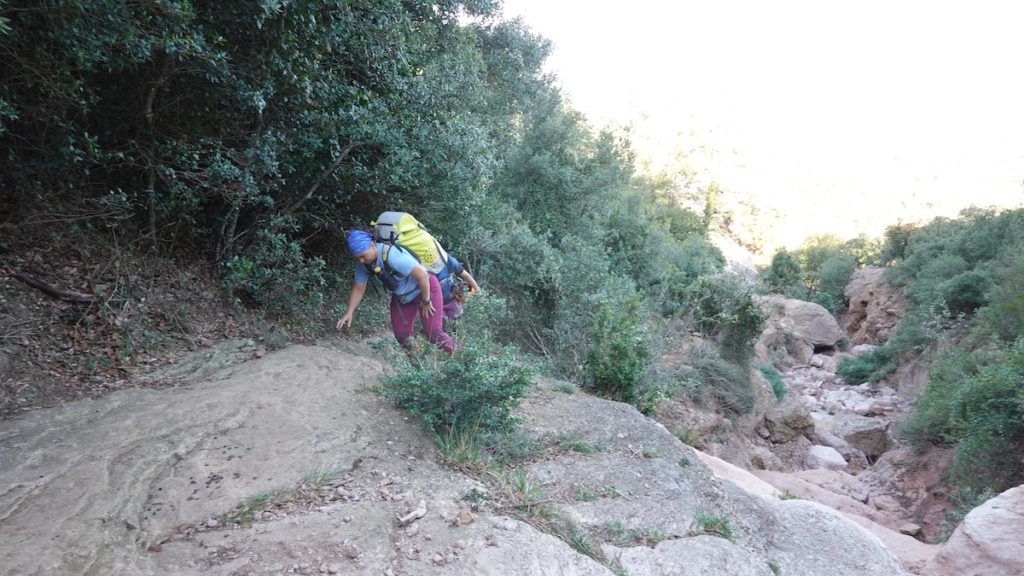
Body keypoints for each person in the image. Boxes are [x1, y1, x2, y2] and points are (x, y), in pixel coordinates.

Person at [336, 230, 454, 353]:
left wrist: (426, 300)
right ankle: (418, 364)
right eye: (357, 257)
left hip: (425, 289)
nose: (360, 260)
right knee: (402, 336)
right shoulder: (364, 264)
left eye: (362, 256)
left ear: (372, 245)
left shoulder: (393, 256)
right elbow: (359, 288)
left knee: (434, 333)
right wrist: (349, 312)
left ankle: (459, 355)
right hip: (403, 297)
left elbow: (423, 275)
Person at [437, 254, 480, 322]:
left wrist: (479, 293)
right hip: (436, 303)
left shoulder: (447, 259)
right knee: (440, 326)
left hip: (452, 300)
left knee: (456, 325)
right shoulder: (425, 266)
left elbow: (466, 275)